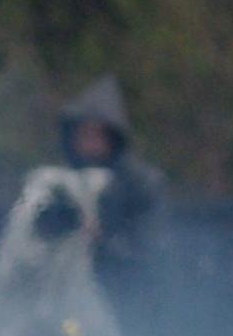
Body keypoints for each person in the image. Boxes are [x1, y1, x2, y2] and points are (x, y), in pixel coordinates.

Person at [54, 74, 165, 282]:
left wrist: (101, 241)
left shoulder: (141, 184)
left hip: (127, 289)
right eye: (83, 134)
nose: (89, 143)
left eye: (97, 135)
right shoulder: (62, 184)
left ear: (113, 137)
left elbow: (149, 251)